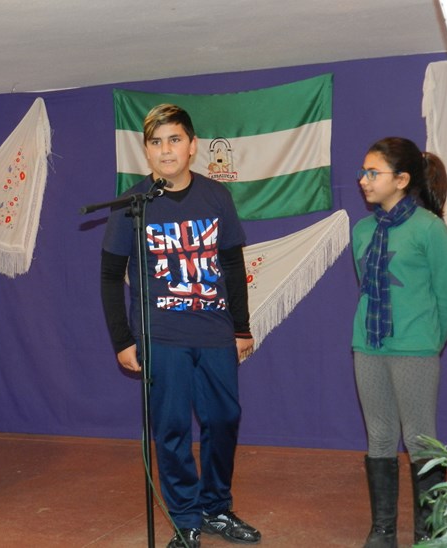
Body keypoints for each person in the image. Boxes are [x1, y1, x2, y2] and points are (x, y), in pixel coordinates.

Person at [100, 104, 261, 548]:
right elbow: (111, 276)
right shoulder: (133, 205)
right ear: (146, 150)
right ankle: (186, 518)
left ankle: (216, 507)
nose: (165, 149)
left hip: (214, 332)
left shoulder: (216, 197)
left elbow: (233, 264)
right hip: (162, 337)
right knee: (171, 430)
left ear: (192, 146)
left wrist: (241, 327)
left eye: (174, 139)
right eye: (156, 142)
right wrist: (122, 339)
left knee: (224, 420)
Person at [352, 137, 447, 547]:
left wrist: (427, 340)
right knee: (380, 436)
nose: (363, 180)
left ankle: (428, 531)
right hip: (368, 347)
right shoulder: (362, 230)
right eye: (363, 172)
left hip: (414, 351)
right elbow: (365, 286)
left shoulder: (429, 228)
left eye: (373, 172)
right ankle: (383, 530)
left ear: (401, 180)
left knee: (420, 438)